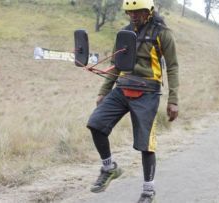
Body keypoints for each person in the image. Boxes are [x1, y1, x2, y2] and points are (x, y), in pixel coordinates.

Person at [86, 0, 179, 202]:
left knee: (146, 145)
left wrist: (173, 99)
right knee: (95, 124)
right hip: (122, 88)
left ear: (149, 11)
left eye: (138, 11)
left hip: (148, 91)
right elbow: (116, 64)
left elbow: (172, 67)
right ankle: (109, 167)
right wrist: (104, 91)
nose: (133, 15)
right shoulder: (125, 34)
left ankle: (148, 191)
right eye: (130, 12)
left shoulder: (162, 33)